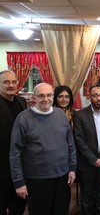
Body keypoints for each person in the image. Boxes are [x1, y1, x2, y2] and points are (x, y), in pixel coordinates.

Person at [9, 83, 76, 215]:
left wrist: (72, 168)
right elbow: (15, 153)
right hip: (36, 179)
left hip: (62, 176)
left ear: (53, 96)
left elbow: (70, 145)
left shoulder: (61, 115)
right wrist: (19, 182)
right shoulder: (23, 119)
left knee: (61, 211)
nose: (46, 99)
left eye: (49, 95)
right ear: (34, 97)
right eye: (41, 96)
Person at [73, 84, 100, 215]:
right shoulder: (80, 115)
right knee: (86, 198)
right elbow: (79, 140)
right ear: (89, 96)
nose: (98, 98)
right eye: (95, 95)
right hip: (87, 164)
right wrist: (93, 160)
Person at [0, 70, 27, 215]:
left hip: (19, 165)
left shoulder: (22, 101)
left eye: (13, 82)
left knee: (19, 204)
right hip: (2, 165)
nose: (11, 85)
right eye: (6, 82)